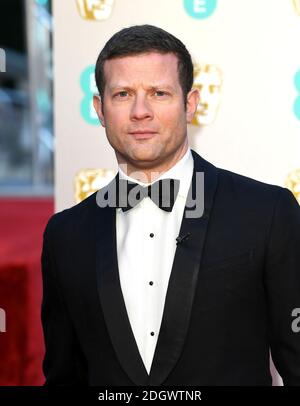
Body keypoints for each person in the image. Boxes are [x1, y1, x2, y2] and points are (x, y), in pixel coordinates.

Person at [41, 24, 300, 386]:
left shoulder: (267, 213)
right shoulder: (65, 235)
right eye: (122, 94)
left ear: (190, 104)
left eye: (159, 93)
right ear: (100, 110)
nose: (140, 111)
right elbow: (63, 376)